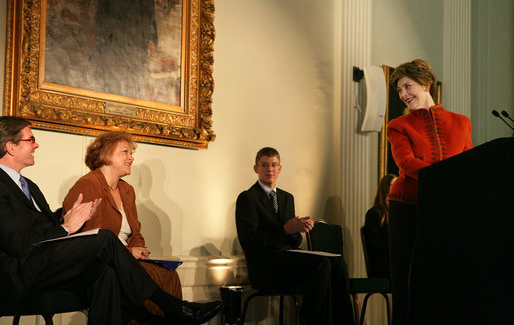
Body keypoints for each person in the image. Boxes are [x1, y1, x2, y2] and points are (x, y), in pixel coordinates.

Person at [0, 116, 222, 324]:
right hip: (19, 272)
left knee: (105, 274)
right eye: (31, 140)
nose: (36, 145)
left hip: (45, 263)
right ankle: (176, 308)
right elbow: (19, 243)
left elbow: (45, 228)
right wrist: (67, 227)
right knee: (104, 237)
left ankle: (171, 311)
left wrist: (64, 219)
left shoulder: (30, 186)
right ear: (11, 147)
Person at [386, 59, 473, 325]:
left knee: (446, 279)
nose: (403, 94)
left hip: (447, 210)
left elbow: (469, 165)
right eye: (399, 89)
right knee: (407, 281)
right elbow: (406, 163)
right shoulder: (397, 125)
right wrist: (445, 180)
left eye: (407, 86)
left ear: (426, 84)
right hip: (408, 208)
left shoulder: (462, 122)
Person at [62, 131, 181, 323]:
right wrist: (128, 252)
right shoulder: (88, 185)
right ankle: (178, 312)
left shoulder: (127, 190)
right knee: (154, 277)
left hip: (126, 259)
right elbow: (91, 239)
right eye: (125, 152)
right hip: (99, 264)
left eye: (131, 152)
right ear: (105, 155)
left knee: (169, 274)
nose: (131, 158)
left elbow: (136, 232)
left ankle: (178, 314)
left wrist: (139, 249)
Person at [235, 147, 355, 325]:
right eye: (264, 165)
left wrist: (299, 229)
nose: (269, 169)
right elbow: (249, 241)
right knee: (320, 265)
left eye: (274, 165)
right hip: (266, 266)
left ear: (280, 168)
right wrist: (284, 230)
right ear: (256, 168)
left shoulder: (286, 198)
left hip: (288, 258)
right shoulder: (248, 198)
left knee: (338, 264)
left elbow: (294, 241)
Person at [364, 174, 396, 278]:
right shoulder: (374, 213)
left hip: (394, 260)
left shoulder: (396, 213)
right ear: (386, 188)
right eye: (393, 185)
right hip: (382, 264)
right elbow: (375, 246)